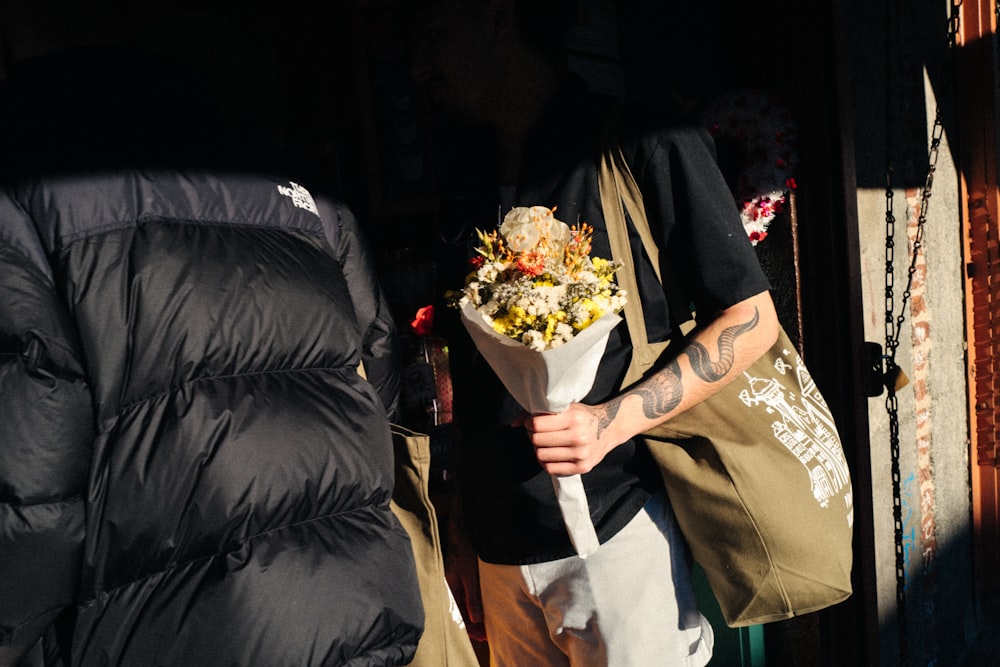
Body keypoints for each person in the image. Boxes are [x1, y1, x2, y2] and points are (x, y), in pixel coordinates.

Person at [0, 45, 424, 666]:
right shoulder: (308, 199)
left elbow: (31, 487)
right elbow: (380, 380)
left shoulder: (26, 203)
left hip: (177, 630)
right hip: (354, 607)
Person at [410, 1, 781, 665]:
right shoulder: (465, 171)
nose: (419, 62)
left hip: (617, 527)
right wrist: (465, 520)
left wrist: (612, 421)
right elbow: (465, 363)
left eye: (432, 30)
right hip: (499, 545)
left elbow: (751, 318)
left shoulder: (642, 139)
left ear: (497, 16)